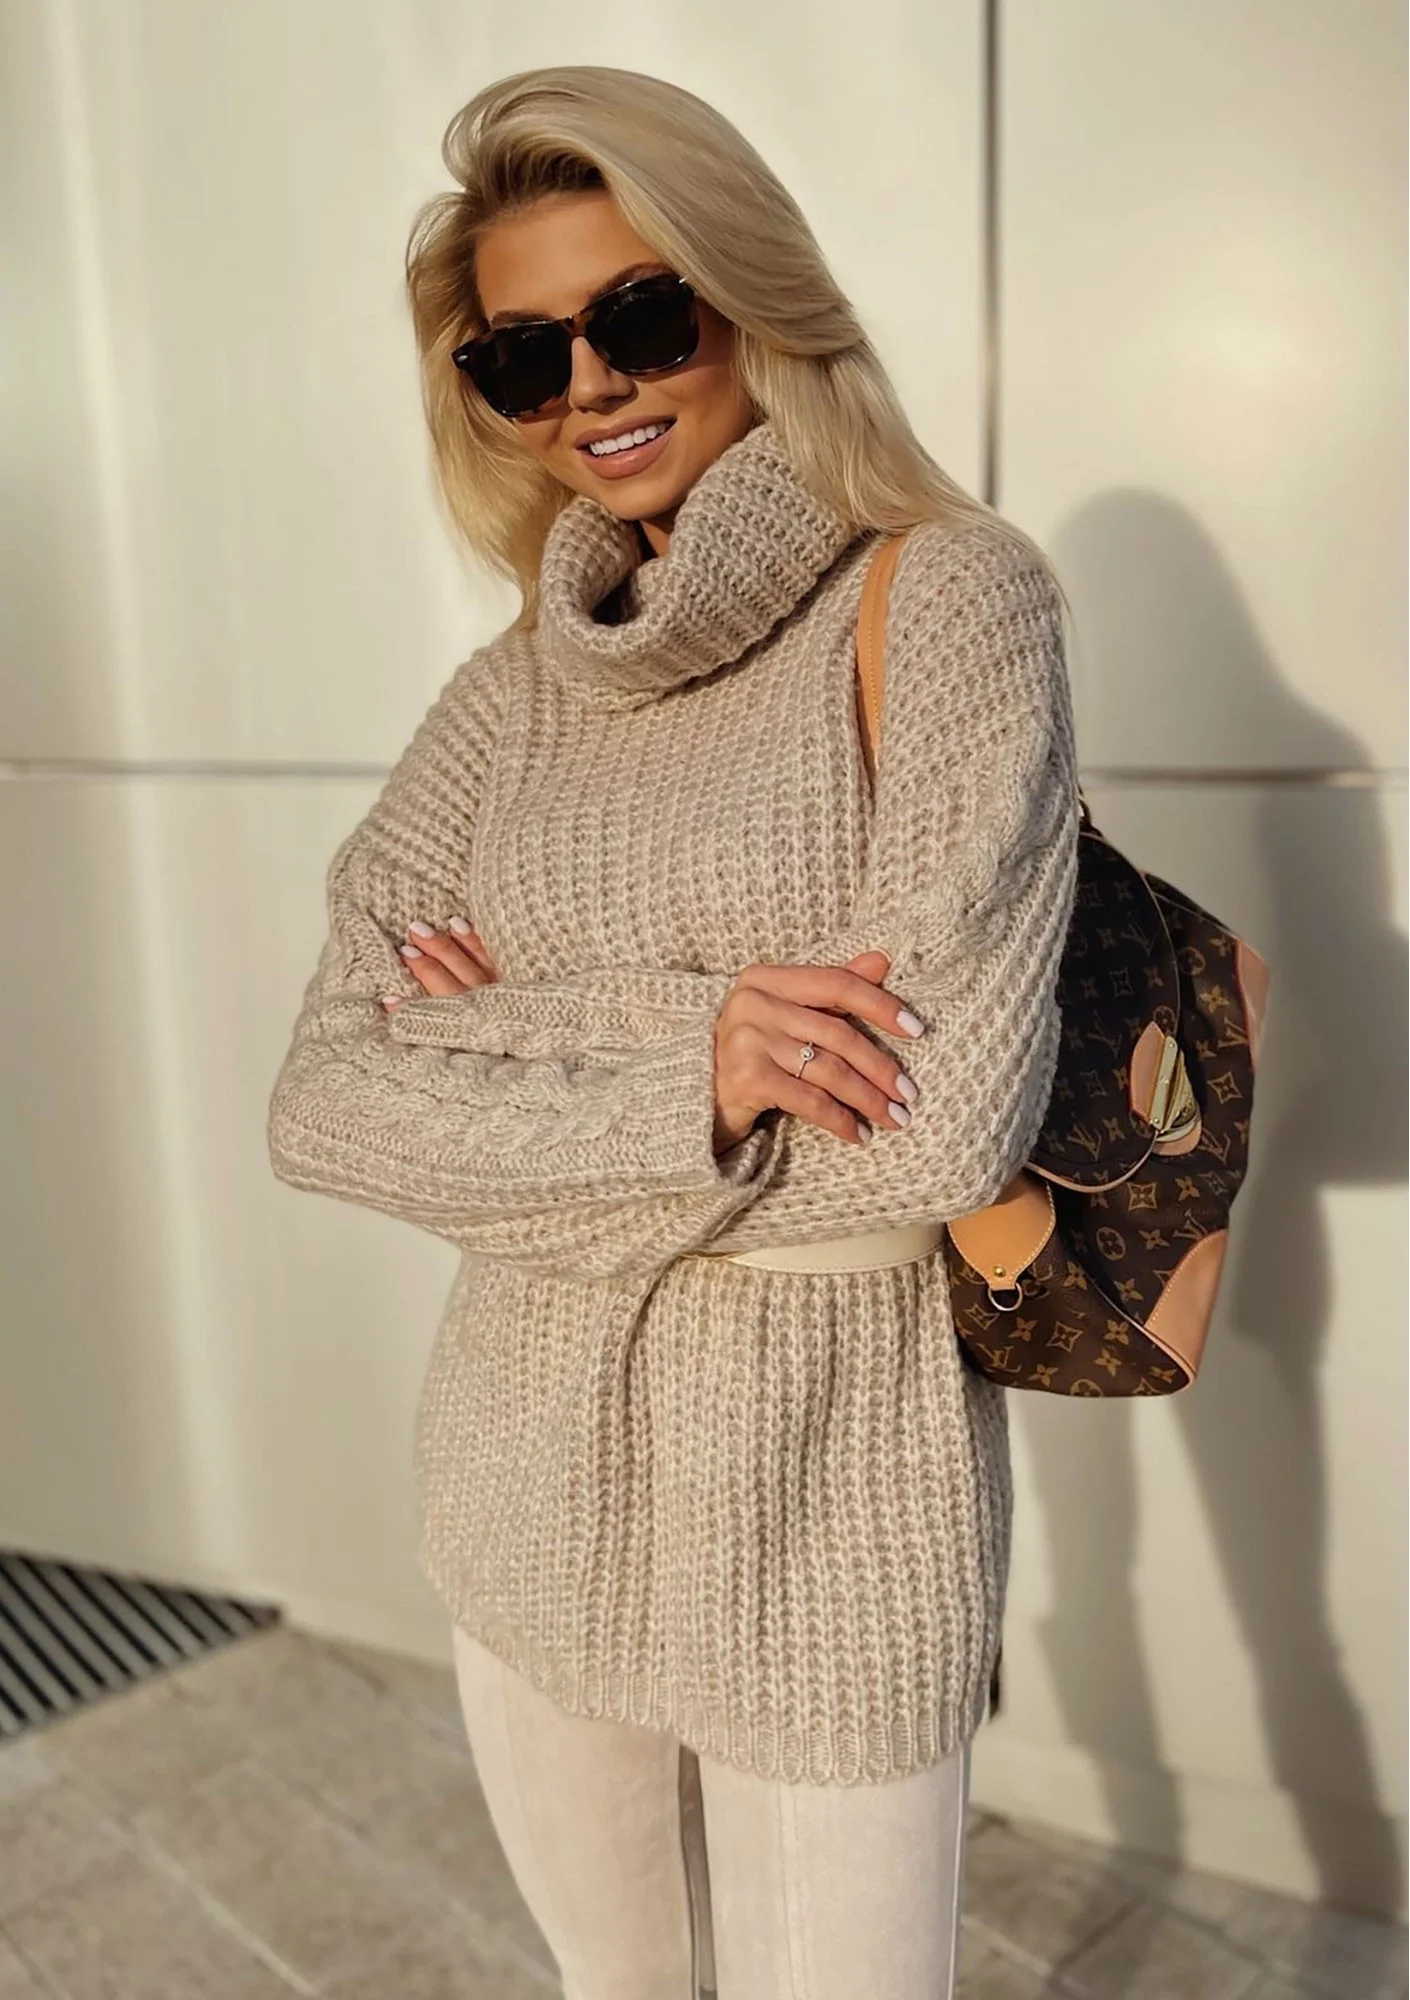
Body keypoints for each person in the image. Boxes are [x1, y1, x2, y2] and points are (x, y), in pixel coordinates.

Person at [267, 62, 1080, 2000]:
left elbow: (941, 1119)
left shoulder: (950, 598)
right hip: (522, 1466)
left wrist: (504, 1037)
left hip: (831, 1486)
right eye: (520, 356)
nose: (591, 388)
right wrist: (701, 1049)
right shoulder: (504, 700)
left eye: (639, 315)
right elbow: (323, 1099)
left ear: (752, 298)